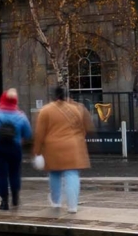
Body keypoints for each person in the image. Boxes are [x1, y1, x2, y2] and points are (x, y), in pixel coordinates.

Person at [33, 86, 93, 214]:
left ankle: (56, 202)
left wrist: (37, 151)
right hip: (74, 146)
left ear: (53, 96)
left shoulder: (46, 111)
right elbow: (86, 127)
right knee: (72, 174)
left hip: (53, 147)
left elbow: (39, 133)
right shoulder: (77, 108)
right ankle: (73, 205)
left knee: (55, 174)